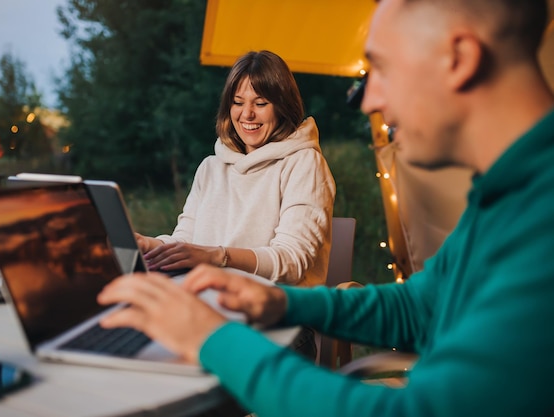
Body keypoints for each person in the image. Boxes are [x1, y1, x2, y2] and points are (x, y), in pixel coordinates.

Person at [98, 0, 554, 416]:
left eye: (382, 69)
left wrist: (213, 338)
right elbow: (420, 305)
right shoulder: (505, 194)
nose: (370, 101)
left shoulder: (541, 225)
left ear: (459, 59)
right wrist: (281, 301)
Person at [137, 50, 336, 288]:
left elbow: (291, 262)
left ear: (283, 106)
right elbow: (185, 242)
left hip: (278, 309)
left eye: (261, 103)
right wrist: (148, 245)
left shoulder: (303, 164)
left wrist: (218, 256)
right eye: (238, 103)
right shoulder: (210, 167)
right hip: (211, 298)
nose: (247, 114)